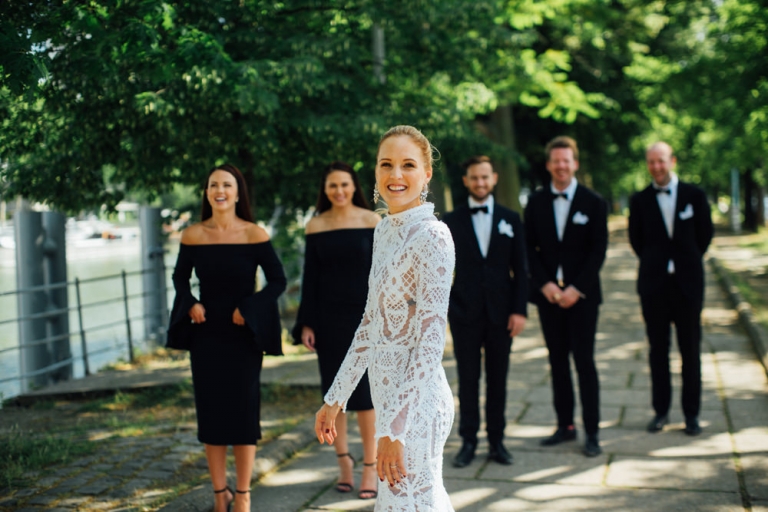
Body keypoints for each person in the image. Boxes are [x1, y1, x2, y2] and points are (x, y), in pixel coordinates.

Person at [314, 125, 456, 510]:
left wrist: (396, 429)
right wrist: (335, 399)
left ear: (426, 173)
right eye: (386, 164)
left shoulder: (434, 236)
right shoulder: (383, 231)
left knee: (418, 502)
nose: (396, 175)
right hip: (386, 395)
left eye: (408, 165)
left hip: (418, 402)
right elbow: (369, 325)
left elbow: (430, 340)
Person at [166, 164, 286, 512]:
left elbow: (277, 281)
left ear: (238, 193)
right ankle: (221, 495)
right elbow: (179, 279)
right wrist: (189, 303)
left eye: (227, 185)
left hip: (243, 335)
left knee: (244, 414)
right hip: (206, 335)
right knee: (212, 414)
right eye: (213, 185)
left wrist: (249, 307)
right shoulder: (192, 235)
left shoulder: (254, 234)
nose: (220, 190)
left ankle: (244, 495)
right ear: (207, 193)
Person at [292, 161, 380, 499]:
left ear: (353, 186)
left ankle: (370, 468)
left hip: (366, 320)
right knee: (335, 397)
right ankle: (344, 464)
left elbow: (381, 274)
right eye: (332, 186)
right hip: (328, 322)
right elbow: (310, 280)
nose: (339, 191)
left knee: (367, 399)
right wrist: (307, 323)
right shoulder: (315, 225)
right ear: (325, 190)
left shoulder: (372, 220)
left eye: (344, 184)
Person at [524, 136, 608, 458]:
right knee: (557, 362)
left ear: (575, 164)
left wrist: (576, 288)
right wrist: (544, 284)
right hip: (549, 298)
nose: (561, 166)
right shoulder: (536, 202)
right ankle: (564, 425)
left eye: (566, 160)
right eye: (555, 161)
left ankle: (593, 431)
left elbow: (597, 250)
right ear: (549, 165)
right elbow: (528, 248)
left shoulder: (594, 202)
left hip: (582, 297)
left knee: (584, 362)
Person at [443, 155, 528, 468]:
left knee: (498, 379)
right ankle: (468, 441)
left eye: (485, 177)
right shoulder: (450, 221)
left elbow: (521, 269)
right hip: (464, 314)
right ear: (465, 181)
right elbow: (441, 271)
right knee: (467, 380)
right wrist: (449, 308)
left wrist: (519, 311)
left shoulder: (511, 218)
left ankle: (497, 441)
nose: (480, 183)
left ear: (494, 178)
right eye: (474, 178)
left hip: (502, 314)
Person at [628, 142, 714, 436]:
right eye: (651, 162)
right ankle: (660, 411)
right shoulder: (639, 200)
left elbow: (705, 235)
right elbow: (636, 240)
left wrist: (684, 262)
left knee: (690, 350)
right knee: (657, 351)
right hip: (653, 286)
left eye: (661, 161)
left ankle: (692, 414)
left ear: (672, 161)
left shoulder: (695, 195)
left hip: (688, 285)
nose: (656, 167)